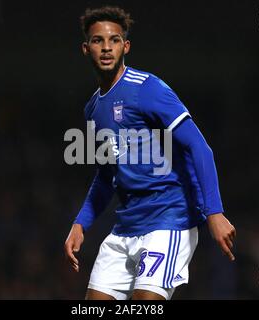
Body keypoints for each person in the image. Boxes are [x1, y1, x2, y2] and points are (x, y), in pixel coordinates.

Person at [64, 6, 236, 300]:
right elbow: (107, 176)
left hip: (169, 218)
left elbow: (198, 147)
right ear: (86, 48)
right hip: (125, 227)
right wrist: (81, 223)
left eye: (114, 40)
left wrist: (214, 212)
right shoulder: (92, 109)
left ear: (125, 46)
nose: (106, 47)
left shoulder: (147, 89)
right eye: (98, 40)